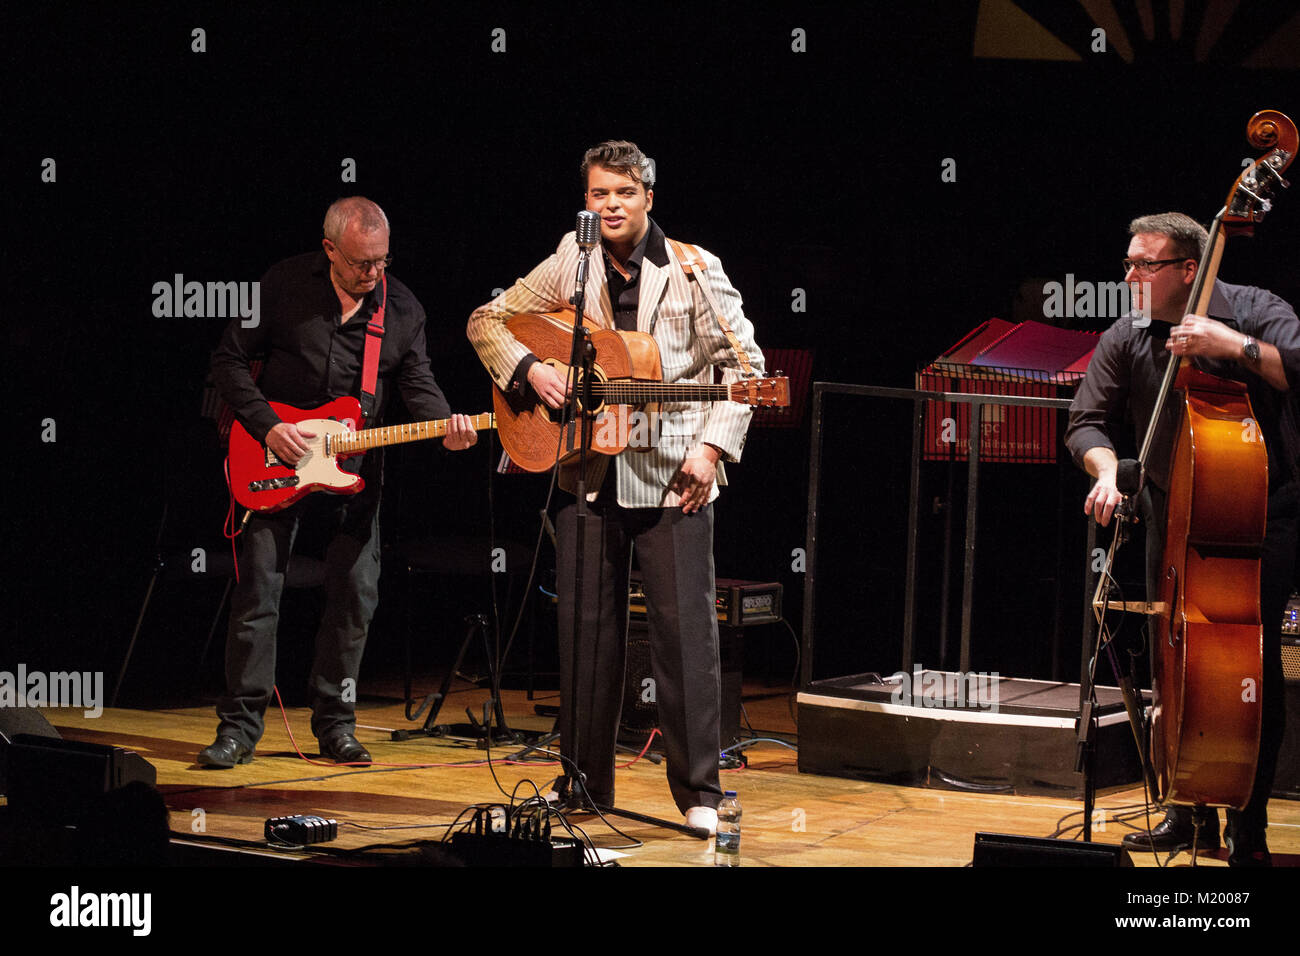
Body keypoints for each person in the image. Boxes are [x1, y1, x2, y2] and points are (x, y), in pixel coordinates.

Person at [466, 140, 764, 834]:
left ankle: (700, 793)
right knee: (584, 636)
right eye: (599, 194)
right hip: (587, 473)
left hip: (672, 477)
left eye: (623, 194)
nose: (611, 206)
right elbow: (487, 322)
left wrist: (713, 447)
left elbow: (746, 365)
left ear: (648, 197)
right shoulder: (574, 260)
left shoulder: (694, 269)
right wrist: (530, 372)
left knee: (685, 640)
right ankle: (581, 785)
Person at [201, 197, 478, 768]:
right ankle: (239, 729)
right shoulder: (282, 283)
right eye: (359, 263)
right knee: (259, 594)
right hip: (272, 454)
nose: (372, 274)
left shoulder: (402, 308)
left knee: (355, 598)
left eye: (381, 261)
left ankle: (336, 726)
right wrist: (270, 427)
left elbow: (417, 382)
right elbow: (228, 362)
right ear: (330, 249)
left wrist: (447, 424)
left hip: (353, 468)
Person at [1066, 211, 1300, 865]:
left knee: (1248, 673)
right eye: (1128, 263)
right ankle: (1183, 811)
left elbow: (1299, 365)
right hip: (1170, 521)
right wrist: (1109, 468)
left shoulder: (1254, 309)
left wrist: (1235, 346)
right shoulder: (1129, 332)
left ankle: (1246, 828)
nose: (1130, 275)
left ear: (1188, 270)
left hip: (1259, 517)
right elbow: (1085, 420)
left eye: (1145, 264)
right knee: (1171, 668)